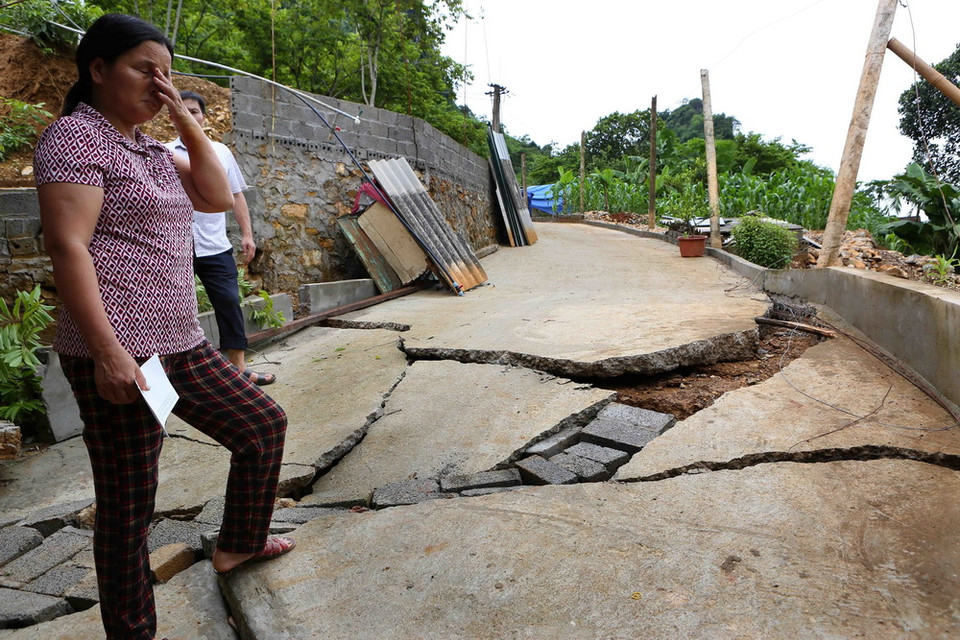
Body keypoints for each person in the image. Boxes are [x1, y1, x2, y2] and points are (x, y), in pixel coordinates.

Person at [35, 14, 294, 640]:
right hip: (127, 352)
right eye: (143, 70)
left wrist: (183, 117)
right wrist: (108, 354)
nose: (159, 83)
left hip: (180, 340)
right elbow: (68, 248)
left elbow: (212, 194)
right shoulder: (76, 140)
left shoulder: (149, 147)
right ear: (98, 70)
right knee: (130, 503)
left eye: (168, 73)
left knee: (262, 425)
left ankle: (238, 544)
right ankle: (133, 632)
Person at [164, 91, 276, 385]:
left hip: (215, 245)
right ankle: (183, 378)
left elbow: (236, 195)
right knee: (177, 309)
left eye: (195, 111)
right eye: (182, 111)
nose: (189, 116)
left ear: (203, 116)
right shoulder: (163, 153)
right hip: (175, 248)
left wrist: (247, 234)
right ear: (172, 117)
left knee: (228, 302)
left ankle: (238, 371)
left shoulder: (221, 152)